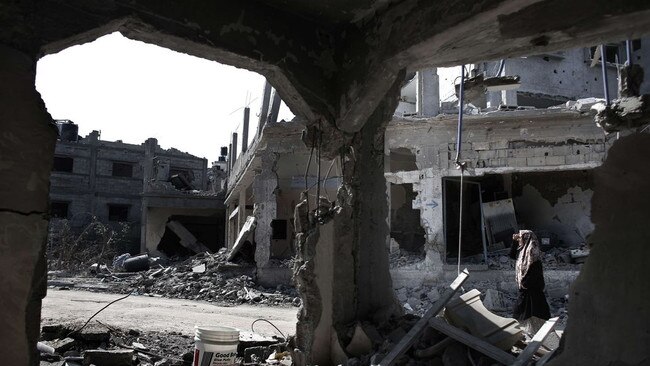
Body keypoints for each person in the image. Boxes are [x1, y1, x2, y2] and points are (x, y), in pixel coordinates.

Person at [509, 230, 551, 323]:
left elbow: (535, 271)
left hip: (532, 288)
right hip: (525, 288)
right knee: (522, 313)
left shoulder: (533, 253)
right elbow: (512, 255)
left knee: (536, 313)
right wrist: (514, 241)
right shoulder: (522, 251)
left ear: (526, 239)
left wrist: (525, 283)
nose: (519, 240)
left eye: (520, 238)